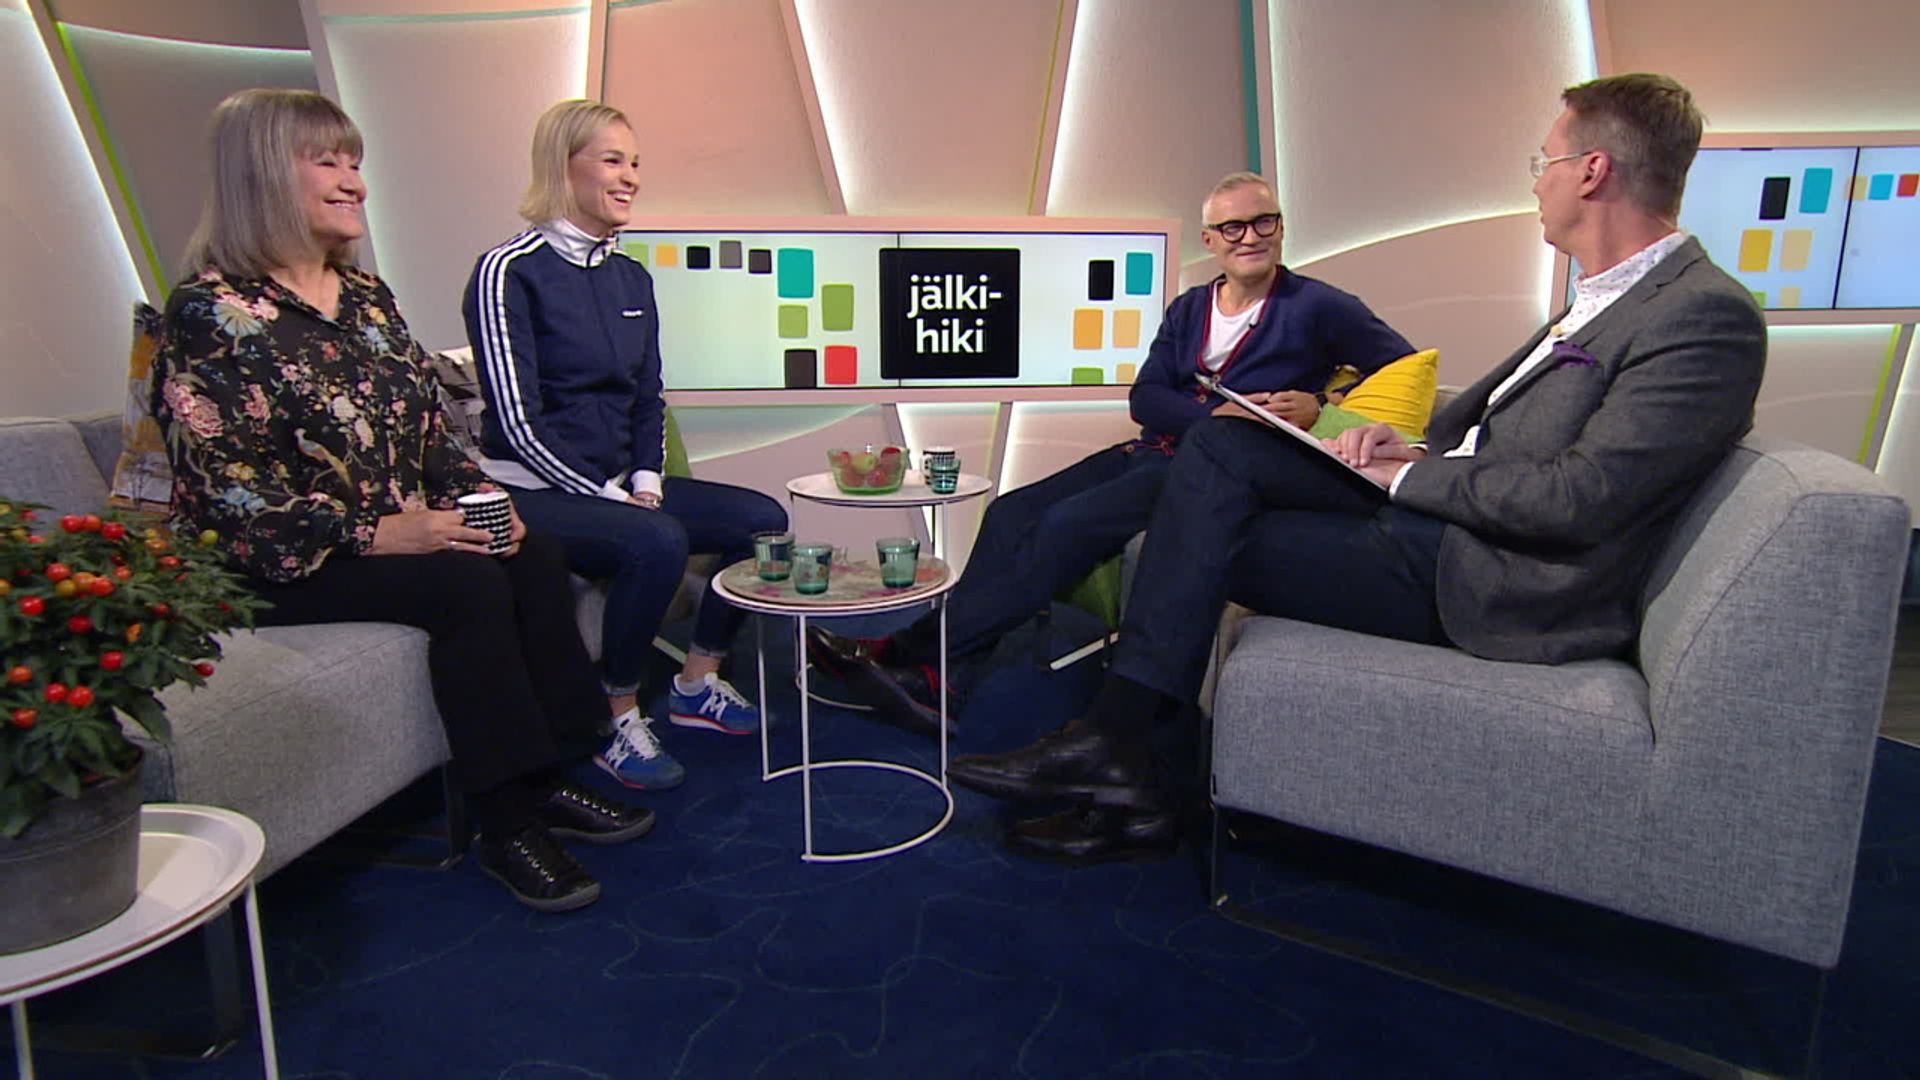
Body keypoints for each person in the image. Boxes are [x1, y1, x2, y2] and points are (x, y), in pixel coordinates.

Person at [946, 72, 1768, 863]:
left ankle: (1118, 749)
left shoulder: (1700, 316)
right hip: (1439, 515)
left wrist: (1405, 476)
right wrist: (1406, 449)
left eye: (1543, 162)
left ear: (1592, 172)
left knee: (1188, 525)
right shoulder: (1602, 297)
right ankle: (1120, 756)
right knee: (1220, 451)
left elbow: (1580, 497)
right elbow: (1498, 440)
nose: (1536, 183)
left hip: (1490, 576)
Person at [153, 89, 652, 913]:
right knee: (465, 584)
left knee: (532, 553)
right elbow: (229, 495)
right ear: (261, 175)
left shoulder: (367, 298)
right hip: (274, 559)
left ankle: (553, 772)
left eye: (356, 163)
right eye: (328, 162)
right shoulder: (209, 314)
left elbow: (429, 434)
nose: (354, 182)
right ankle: (506, 824)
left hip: (392, 532)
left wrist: (483, 498)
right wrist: (381, 533)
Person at [811, 172, 1415, 731]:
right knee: (1010, 512)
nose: (1250, 237)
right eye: (1233, 227)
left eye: (1264, 222)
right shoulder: (1189, 307)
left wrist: (1322, 400)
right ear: (1211, 239)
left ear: (1281, 227)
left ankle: (914, 655)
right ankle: (943, 674)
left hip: (1208, 474)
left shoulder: (1319, 306)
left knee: (1065, 526)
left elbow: (1402, 365)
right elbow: (1146, 396)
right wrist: (1212, 416)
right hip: (1149, 449)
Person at [463, 100, 787, 790]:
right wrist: (610, 497)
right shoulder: (507, 272)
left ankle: (697, 682)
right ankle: (615, 716)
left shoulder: (631, 277)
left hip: (617, 484)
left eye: (635, 162)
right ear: (562, 166)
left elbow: (648, 397)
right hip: (532, 489)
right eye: (612, 160)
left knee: (763, 521)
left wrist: (645, 480)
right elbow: (517, 422)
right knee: (656, 540)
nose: (631, 177)